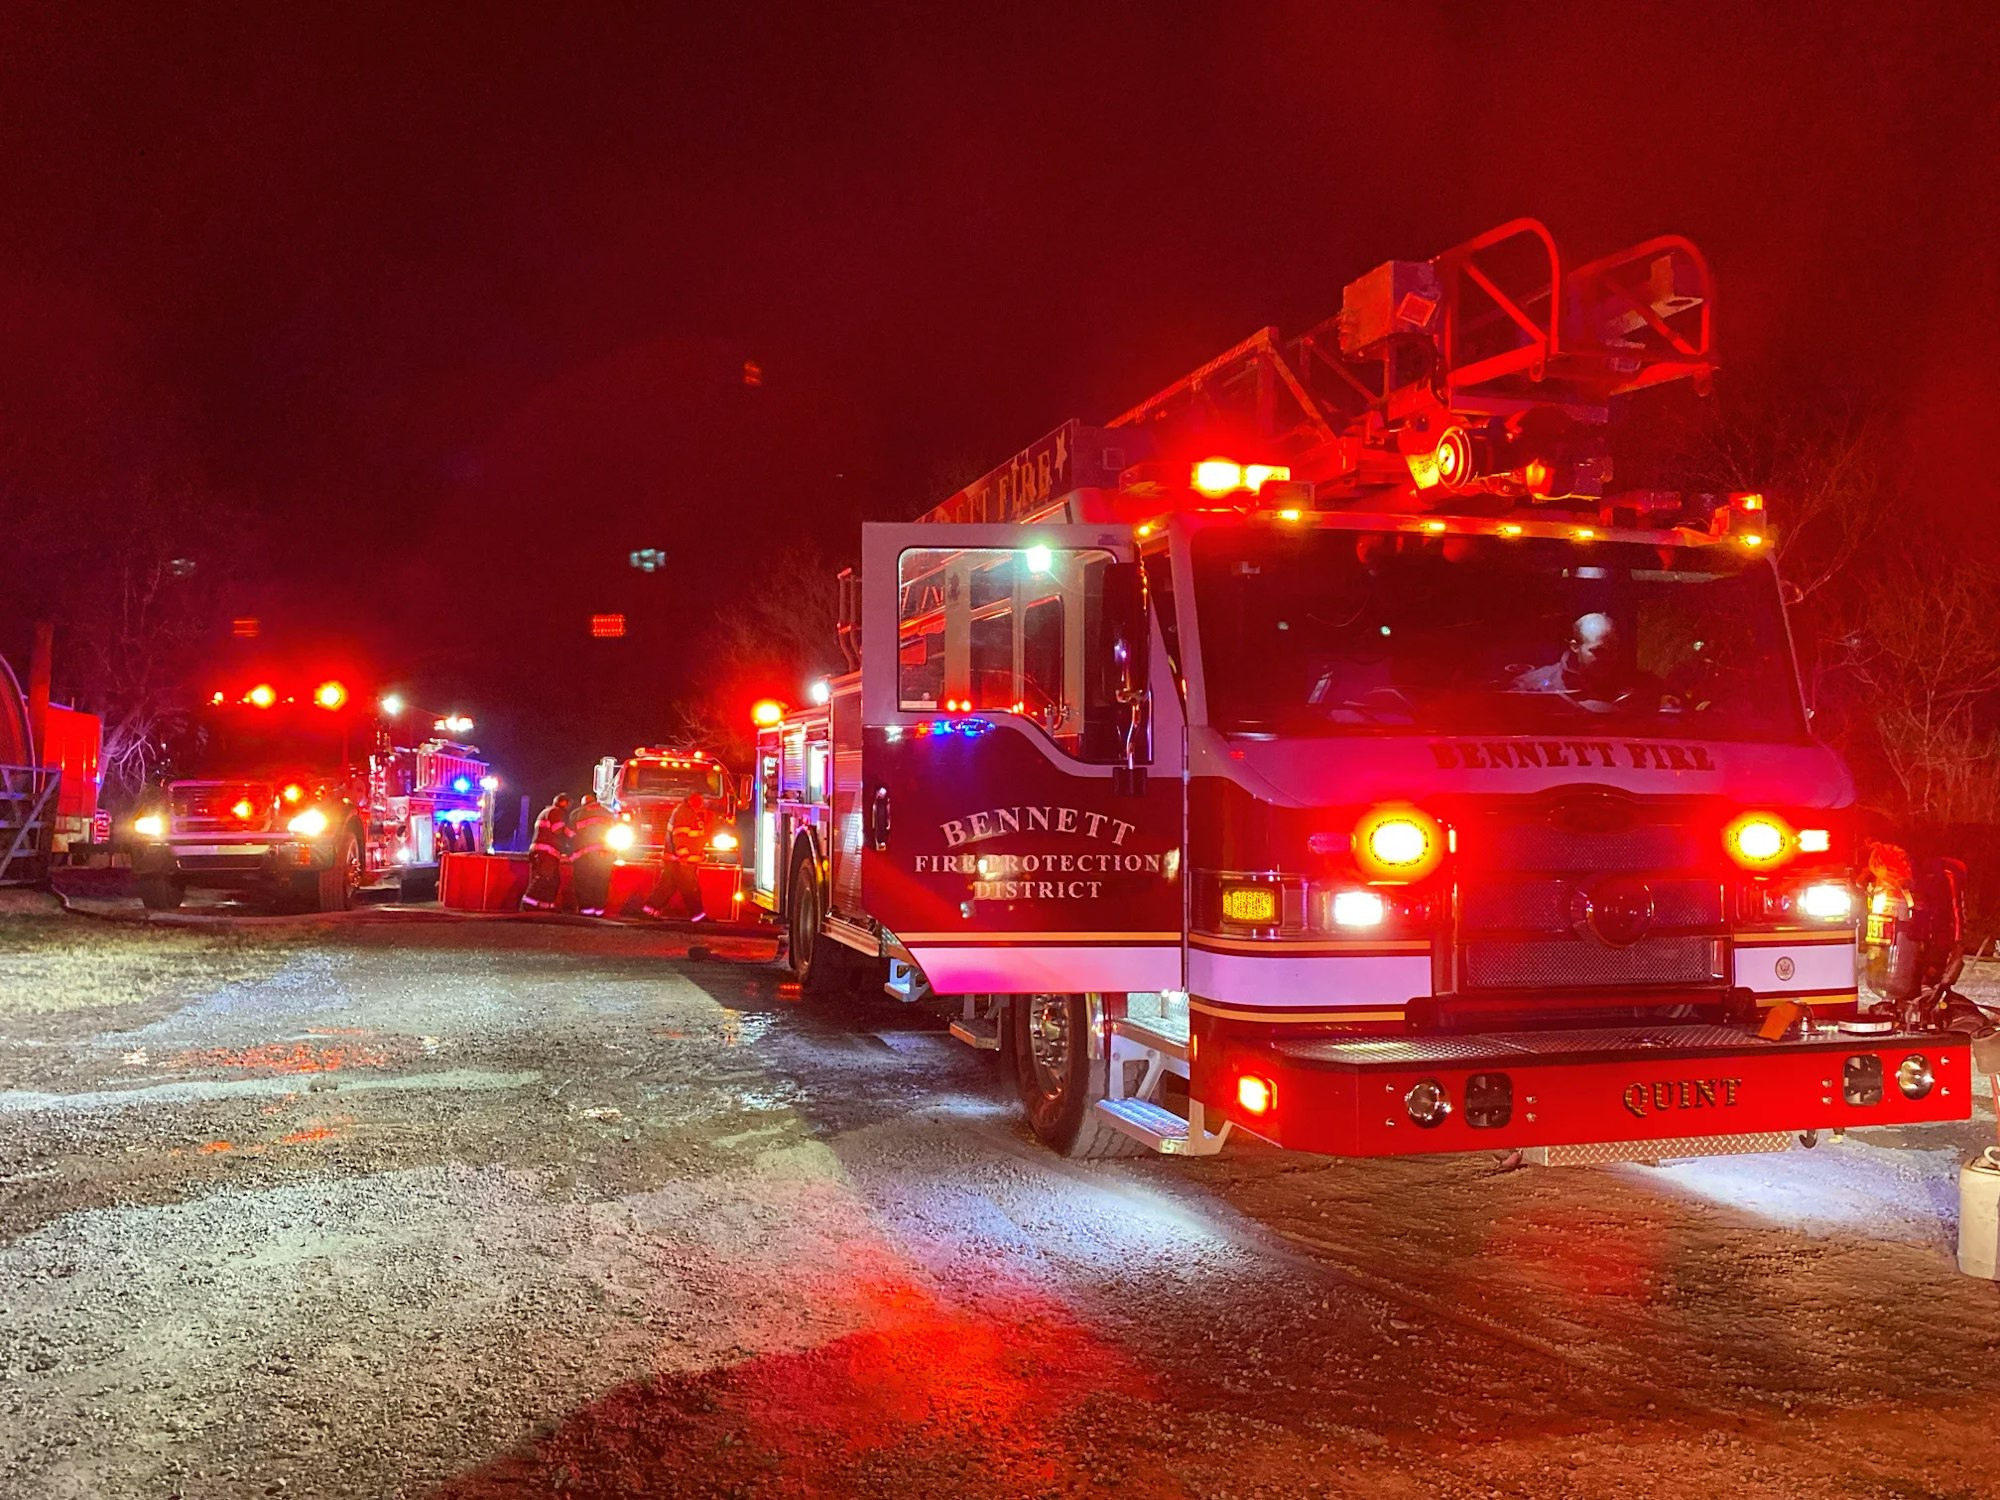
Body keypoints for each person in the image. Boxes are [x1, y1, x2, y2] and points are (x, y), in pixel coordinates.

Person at [1511, 612, 1658, 710]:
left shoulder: (1645, 688)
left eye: (1613, 650)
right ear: (1575, 647)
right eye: (1598, 651)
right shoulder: (1533, 689)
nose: (1608, 659)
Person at [644, 789, 712, 921]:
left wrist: (699, 853)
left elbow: (693, 837)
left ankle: (649, 910)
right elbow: (680, 835)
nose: (702, 804)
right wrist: (684, 855)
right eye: (699, 800)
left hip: (678, 860)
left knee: (667, 886)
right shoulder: (684, 813)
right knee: (690, 889)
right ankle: (698, 916)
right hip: (681, 861)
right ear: (691, 800)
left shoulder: (689, 812)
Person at [568, 793, 616, 917]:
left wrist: (570, 853)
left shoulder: (578, 814)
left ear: (584, 803)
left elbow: (570, 835)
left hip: (584, 856)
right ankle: (599, 910)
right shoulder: (609, 814)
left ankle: (586, 910)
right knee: (601, 882)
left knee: (584, 882)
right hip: (605, 855)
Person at [521, 793, 570, 911]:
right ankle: (527, 903)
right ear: (564, 802)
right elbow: (558, 830)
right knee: (544, 878)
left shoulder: (546, 811)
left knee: (553, 880)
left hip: (540, 851)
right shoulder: (556, 812)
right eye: (568, 804)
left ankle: (545, 906)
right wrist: (572, 835)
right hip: (546, 851)